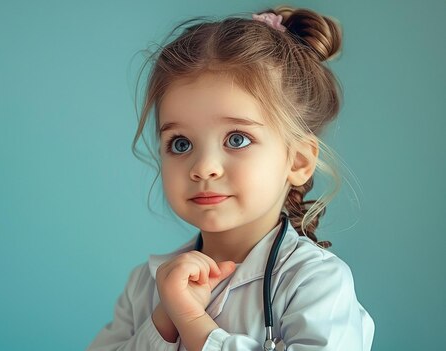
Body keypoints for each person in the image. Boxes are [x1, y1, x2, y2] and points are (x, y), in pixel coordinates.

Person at [88, 6, 375, 351]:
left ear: (297, 161)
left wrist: (191, 322)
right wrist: (163, 321)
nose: (203, 167)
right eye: (181, 143)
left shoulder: (314, 282)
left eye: (236, 139)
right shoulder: (145, 285)